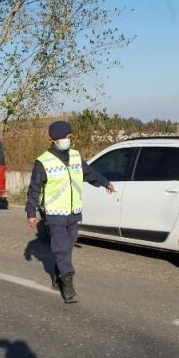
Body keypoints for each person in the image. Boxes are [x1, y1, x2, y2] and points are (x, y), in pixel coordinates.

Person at [25, 121, 115, 303]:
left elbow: (89, 174)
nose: (69, 139)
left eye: (69, 136)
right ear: (55, 139)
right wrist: (30, 213)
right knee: (62, 248)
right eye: (66, 137)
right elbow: (34, 189)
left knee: (67, 248)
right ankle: (68, 286)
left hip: (73, 212)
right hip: (54, 214)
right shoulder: (43, 162)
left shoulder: (75, 156)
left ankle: (58, 277)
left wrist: (105, 183)